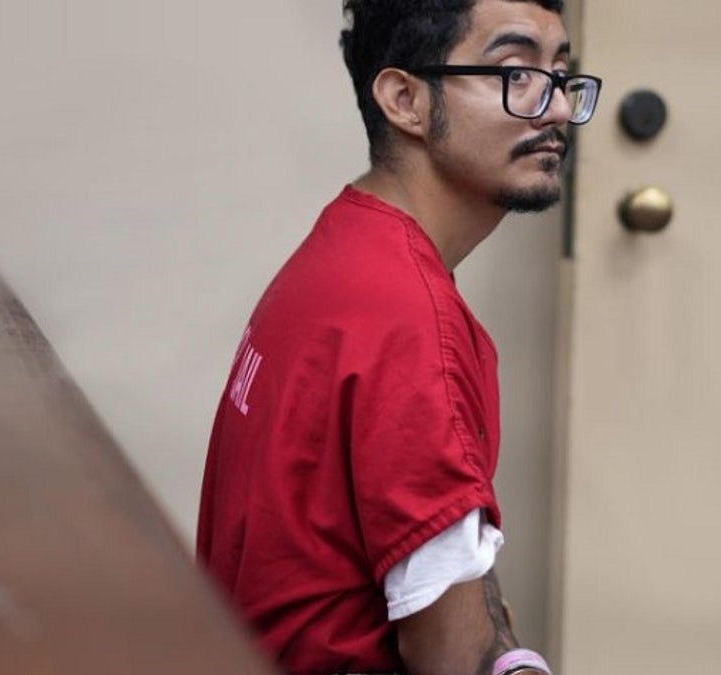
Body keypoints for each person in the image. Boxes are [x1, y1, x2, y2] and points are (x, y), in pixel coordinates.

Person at [196, 1, 601, 673]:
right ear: (405, 99)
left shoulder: (347, 246)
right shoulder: (409, 319)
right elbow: (453, 656)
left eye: (560, 75)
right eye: (515, 72)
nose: (556, 108)